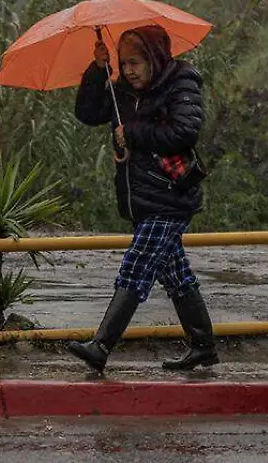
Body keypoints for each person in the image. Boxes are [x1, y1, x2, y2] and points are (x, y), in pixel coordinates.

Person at [68, 25, 217, 373]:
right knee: (175, 273)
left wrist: (132, 132)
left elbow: (185, 131)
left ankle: (101, 345)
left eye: (135, 62)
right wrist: (97, 70)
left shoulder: (181, 82)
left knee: (136, 265)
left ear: (154, 58)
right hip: (140, 196)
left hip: (171, 194)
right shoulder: (122, 88)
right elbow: (88, 114)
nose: (130, 70)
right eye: (124, 63)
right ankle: (203, 346)